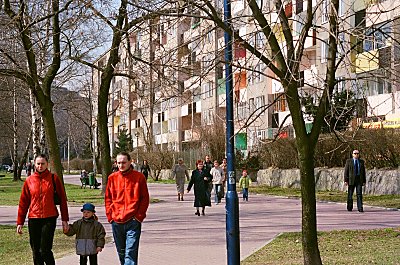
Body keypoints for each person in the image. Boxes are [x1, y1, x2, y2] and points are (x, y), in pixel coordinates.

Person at [16, 154, 69, 265]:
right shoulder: (29, 180)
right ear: (34, 164)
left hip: (49, 218)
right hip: (34, 218)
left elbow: (63, 200)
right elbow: (23, 203)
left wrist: (65, 220)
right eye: (38, 164)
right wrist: (19, 222)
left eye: (43, 164)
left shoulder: (54, 179)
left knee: (45, 250)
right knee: (36, 251)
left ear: (47, 164)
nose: (40, 166)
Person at [105, 152, 150, 265]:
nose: (121, 165)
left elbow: (144, 198)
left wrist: (139, 217)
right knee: (121, 252)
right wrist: (110, 216)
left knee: (130, 252)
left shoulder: (139, 177)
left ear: (130, 162)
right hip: (116, 220)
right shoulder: (112, 178)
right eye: (118, 163)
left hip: (133, 221)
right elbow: (108, 198)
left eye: (124, 162)